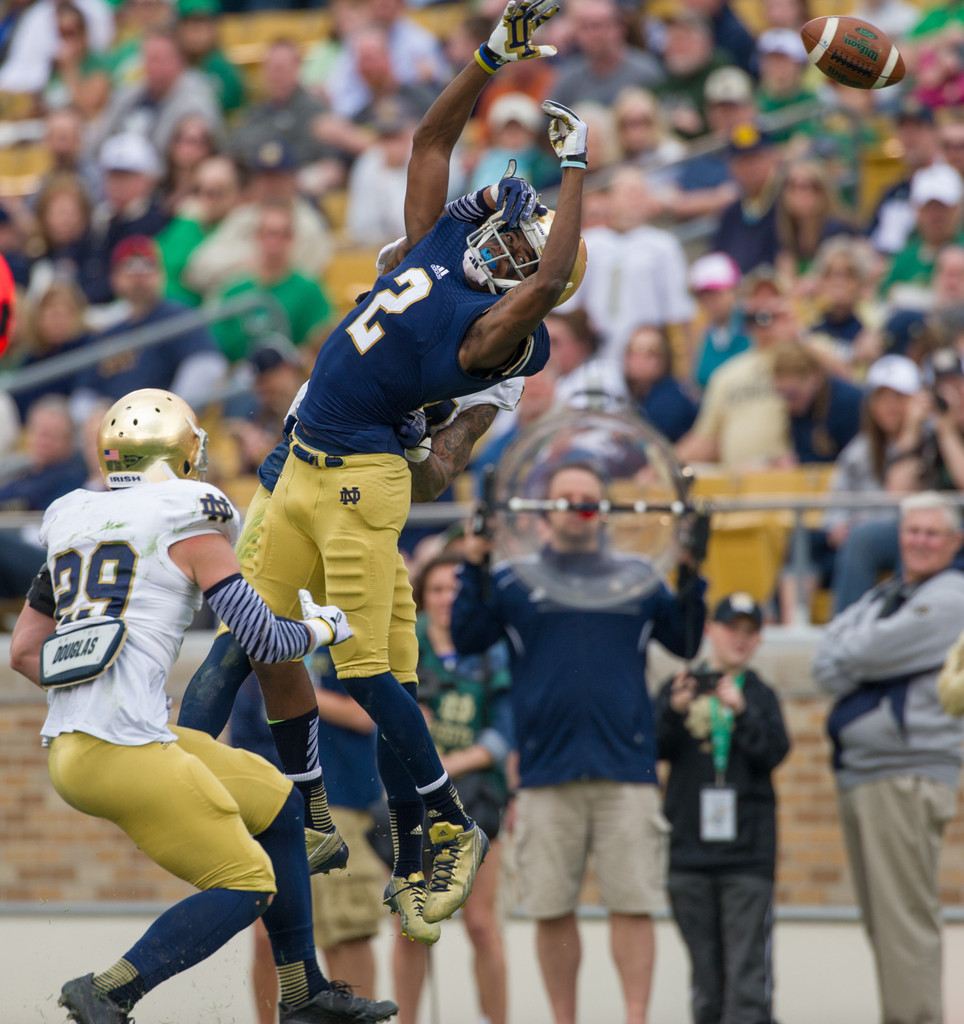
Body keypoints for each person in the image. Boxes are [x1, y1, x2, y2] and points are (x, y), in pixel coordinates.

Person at [237, 0, 585, 942]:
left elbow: (438, 478)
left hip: (374, 477)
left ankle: (425, 832)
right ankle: (381, 822)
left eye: (520, 248)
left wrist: (403, 422)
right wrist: (487, 57)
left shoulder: (497, 361)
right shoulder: (442, 261)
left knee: (372, 670)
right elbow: (433, 139)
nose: (502, 244)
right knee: (275, 639)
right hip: (324, 451)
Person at [7, 388, 397, 1024]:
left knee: (279, 804)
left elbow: (26, 650)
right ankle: (110, 989)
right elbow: (266, 640)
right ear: (182, 452)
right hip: (124, 750)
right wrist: (327, 628)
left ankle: (302, 992)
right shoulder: (188, 518)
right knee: (248, 882)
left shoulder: (72, 518)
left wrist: (96, 691)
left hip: (85, 743)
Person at [451, 460, 707, 1024]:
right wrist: (474, 565)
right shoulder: (517, 583)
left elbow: (685, 638)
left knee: (633, 904)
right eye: (564, 496)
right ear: (543, 508)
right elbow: (469, 636)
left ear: (604, 508)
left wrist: (691, 572)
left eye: (586, 497)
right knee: (550, 907)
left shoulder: (637, 578)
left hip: (626, 770)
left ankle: (634, 1017)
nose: (575, 506)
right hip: (545, 772)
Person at [812, 491, 964, 1024]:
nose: (919, 541)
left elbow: (859, 652)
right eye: (912, 531)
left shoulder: (953, 596)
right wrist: (858, 653)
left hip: (906, 773)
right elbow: (823, 658)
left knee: (904, 924)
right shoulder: (889, 594)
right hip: (864, 776)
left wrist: (858, 653)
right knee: (882, 924)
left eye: (931, 533)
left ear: (955, 542)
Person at [655, 592, 790, 1024]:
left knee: (748, 979)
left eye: (751, 632)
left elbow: (774, 752)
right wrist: (674, 712)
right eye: (732, 628)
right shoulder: (681, 687)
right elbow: (650, 749)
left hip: (747, 858)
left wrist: (743, 711)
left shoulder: (762, 695)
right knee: (707, 982)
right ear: (711, 631)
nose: (741, 639)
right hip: (689, 856)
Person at [395, 552, 513, 1024]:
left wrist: (441, 766)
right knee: (413, 922)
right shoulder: (403, 647)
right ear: (423, 597)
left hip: (477, 801)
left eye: (457, 591)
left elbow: (504, 735)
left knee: (482, 924)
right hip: (412, 806)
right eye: (439, 589)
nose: (447, 600)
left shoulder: (491, 649)